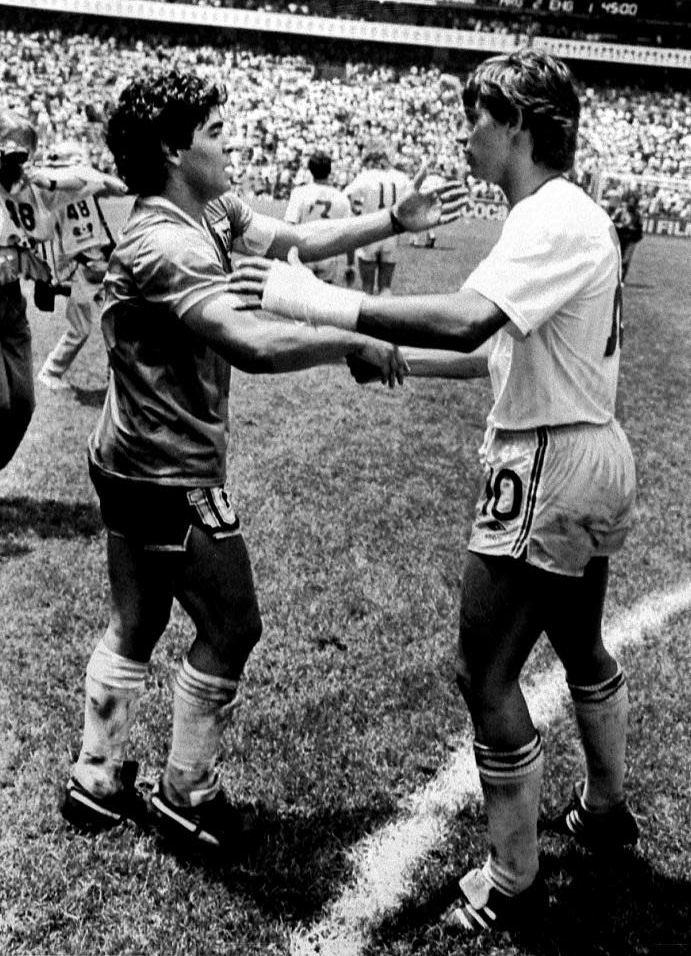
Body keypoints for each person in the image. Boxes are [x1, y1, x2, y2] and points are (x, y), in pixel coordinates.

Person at [231, 50, 638, 935]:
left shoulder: (548, 214)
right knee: (576, 640)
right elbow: (486, 351)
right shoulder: (567, 215)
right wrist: (386, 353)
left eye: (477, 117)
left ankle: (513, 878)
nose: (465, 133)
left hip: (545, 462)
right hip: (590, 447)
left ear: (519, 124)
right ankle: (605, 811)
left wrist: (318, 303)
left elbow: (466, 316)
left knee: (481, 672)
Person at [61, 70, 463, 850]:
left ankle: (97, 777)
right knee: (233, 624)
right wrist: (348, 336)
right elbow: (248, 341)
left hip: (123, 455)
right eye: (214, 131)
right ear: (176, 150)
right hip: (167, 468)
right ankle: (188, 788)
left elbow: (298, 242)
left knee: (136, 620)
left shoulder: (205, 208)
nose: (230, 140)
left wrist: (393, 218)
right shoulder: (166, 242)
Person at [0, 110, 126, 468]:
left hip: (11, 297)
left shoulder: (38, 188)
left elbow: (94, 179)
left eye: (21, 155)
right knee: (1, 403)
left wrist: (48, 179)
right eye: (7, 153)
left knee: (22, 405)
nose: (14, 161)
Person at [38, 140, 121, 391]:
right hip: (77, 266)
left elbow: (117, 188)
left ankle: (116, 377)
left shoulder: (86, 187)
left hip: (98, 260)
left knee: (116, 320)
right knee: (80, 328)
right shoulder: (54, 194)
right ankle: (50, 371)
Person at [344, 146, 411, 295]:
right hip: (392, 230)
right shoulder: (401, 177)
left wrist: (355, 210)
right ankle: (384, 315)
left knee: (367, 286)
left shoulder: (367, 176)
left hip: (371, 229)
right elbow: (411, 198)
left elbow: (346, 194)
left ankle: (367, 317)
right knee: (385, 287)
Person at [283, 149, 353, 285]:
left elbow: (289, 227)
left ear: (310, 170)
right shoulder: (341, 197)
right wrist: (350, 264)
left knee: (302, 296)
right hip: (328, 252)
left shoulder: (300, 193)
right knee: (323, 298)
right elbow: (349, 233)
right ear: (330, 170)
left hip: (305, 250)